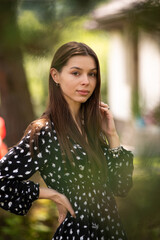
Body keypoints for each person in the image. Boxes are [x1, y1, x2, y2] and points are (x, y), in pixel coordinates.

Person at [0, 41, 134, 240]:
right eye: (76, 73)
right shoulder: (44, 131)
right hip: (78, 234)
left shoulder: (92, 129)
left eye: (92, 74)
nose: (86, 81)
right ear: (55, 76)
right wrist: (53, 195)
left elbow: (121, 187)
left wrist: (112, 136)